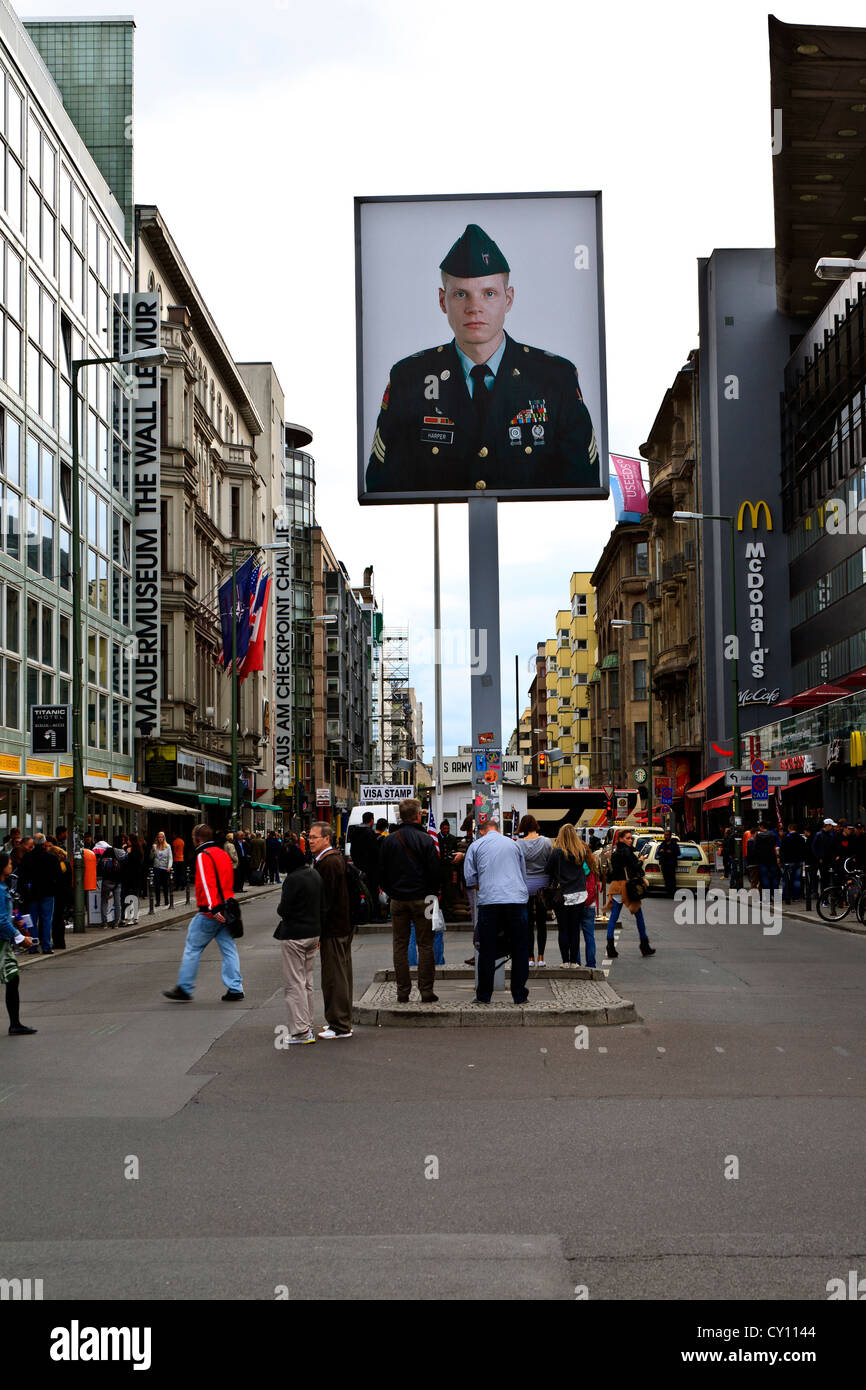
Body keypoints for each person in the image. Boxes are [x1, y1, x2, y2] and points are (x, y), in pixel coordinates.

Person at [365, 223, 599, 495]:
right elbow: (384, 486)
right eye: (461, 294)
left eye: (489, 294)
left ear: (508, 299)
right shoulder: (409, 379)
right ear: (443, 301)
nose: (474, 307)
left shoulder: (555, 377)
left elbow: (581, 485)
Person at [163, 824, 243, 1002]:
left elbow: (207, 884)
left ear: (197, 839)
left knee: (193, 947)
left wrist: (213, 908)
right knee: (229, 949)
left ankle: (184, 987)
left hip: (210, 911)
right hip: (227, 908)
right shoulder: (222, 853)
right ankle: (235, 987)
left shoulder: (203, 855)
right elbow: (229, 879)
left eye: (193, 838)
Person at [379, 799, 442, 1003]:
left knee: (400, 945)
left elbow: (382, 874)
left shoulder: (389, 840)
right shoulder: (426, 840)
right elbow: (435, 871)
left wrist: (392, 892)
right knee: (425, 945)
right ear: (418, 816)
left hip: (398, 900)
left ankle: (402, 992)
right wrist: (431, 894)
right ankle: (426, 990)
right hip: (423, 900)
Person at [462, 818, 530, 1005]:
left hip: (490, 901)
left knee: (487, 949)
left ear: (482, 831)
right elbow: (522, 875)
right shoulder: (514, 845)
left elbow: (470, 878)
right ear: (498, 830)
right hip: (516, 900)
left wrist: (485, 886)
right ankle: (519, 995)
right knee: (520, 948)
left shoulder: (476, 846)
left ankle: (484, 996)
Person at [274, 842, 324, 1044]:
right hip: (313, 933)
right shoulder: (314, 875)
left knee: (294, 983)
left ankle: (301, 1030)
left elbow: (283, 910)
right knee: (307, 981)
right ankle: (308, 1023)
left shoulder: (292, 879)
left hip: (294, 934)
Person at [309, 821, 353, 1038]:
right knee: (340, 974)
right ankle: (340, 1020)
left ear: (327, 838)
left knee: (334, 976)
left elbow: (325, 900)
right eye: (309, 837)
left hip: (333, 928)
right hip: (341, 925)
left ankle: (340, 1025)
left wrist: (318, 928)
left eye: (314, 837)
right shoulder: (333, 859)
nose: (310, 841)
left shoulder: (328, 862)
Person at [548, 824, 597, 967]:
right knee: (575, 928)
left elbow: (548, 869)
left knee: (563, 928)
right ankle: (575, 961)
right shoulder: (581, 851)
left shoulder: (557, 852)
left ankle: (565, 960)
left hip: (562, 894)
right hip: (579, 894)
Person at [0, 852, 36, 1034]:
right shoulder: (0, 890)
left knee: (13, 978)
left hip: (4, 942)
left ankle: (15, 1023)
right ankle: (14, 1024)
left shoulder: (2, 887)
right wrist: (20, 937)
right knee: (12, 979)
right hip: (1, 942)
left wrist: (14, 920)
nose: (11, 864)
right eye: (8, 862)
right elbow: (0, 919)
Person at [605, 828, 654, 958]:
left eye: (631, 838)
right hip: (628, 887)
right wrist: (642, 859)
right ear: (621, 839)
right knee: (639, 916)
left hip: (616, 887)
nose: (630, 840)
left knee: (613, 917)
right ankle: (644, 945)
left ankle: (610, 947)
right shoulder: (627, 851)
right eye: (628, 838)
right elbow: (636, 867)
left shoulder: (615, 852)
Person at [516, 815, 552, 965]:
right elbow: (550, 863)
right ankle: (541, 957)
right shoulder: (546, 842)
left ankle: (530, 957)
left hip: (526, 885)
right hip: (542, 884)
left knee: (528, 922)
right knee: (542, 922)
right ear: (535, 824)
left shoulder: (518, 844)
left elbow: (517, 865)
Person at [18, 833, 61, 955]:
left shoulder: (27, 857)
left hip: (32, 894)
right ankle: (46, 946)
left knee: (32, 920)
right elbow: (58, 875)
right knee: (47, 920)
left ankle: (33, 946)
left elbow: (22, 876)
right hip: (47, 893)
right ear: (44, 843)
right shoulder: (51, 858)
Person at [349, 812, 383, 919]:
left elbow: (352, 850)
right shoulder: (369, 833)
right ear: (371, 820)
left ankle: (363, 913)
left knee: (361, 890)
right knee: (373, 890)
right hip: (371, 867)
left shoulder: (355, 831)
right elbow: (374, 851)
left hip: (358, 866)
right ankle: (374, 914)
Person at [780, 822, 807, 903]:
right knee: (797, 879)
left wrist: (782, 860)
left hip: (788, 862)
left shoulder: (786, 838)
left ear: (789, 829)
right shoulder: (801, 838)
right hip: (799, 861)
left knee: (786, 879)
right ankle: (795, 896)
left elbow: (782, 851)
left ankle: (786, 896)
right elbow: (804, 850)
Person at [752, 820, 781, 893]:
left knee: (765, 878)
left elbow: (755, 848)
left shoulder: (758, 836)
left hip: (762, 860)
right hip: (772, 858)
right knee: (775, 877)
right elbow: (776, 845)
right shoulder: (773, 835)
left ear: (761, 827)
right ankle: (776, 896)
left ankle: (768, 897)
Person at [150, 831, 172, 907]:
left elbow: (170, 857)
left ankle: (166, 900)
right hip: (156, 867)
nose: (160, 838)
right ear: (157, 838)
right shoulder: (154, 846)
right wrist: (152, 851)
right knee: (157, 885)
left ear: (164, 838)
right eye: (159, 837)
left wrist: (169, 866)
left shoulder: (168, 846)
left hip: (165, 868)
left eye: (161, 837)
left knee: (165, 885)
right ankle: (158, 901)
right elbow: (151, 857)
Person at [656, 830, 680, 897]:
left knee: (672, 878)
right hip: (664, 863)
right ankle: (668, 891)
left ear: (670, 836)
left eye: (667, 835)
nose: (666, 836)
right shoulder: (662, 844)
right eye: (665, 835)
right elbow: (658, 853)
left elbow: (678, 853)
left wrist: (671, 852)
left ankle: (672, 892)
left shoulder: (674, 844)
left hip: (671, 863)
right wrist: (660, 851)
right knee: (666, 878)